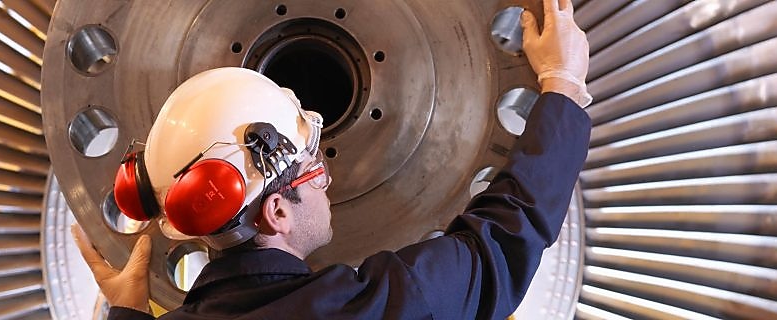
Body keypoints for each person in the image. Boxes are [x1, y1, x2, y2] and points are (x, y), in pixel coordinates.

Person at [71, 0, 592, 318]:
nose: (328, 179)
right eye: (313, 168)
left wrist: (128, 314)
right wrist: (562, 84)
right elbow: (500, 245)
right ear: (276, 212)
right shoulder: (372, 309)